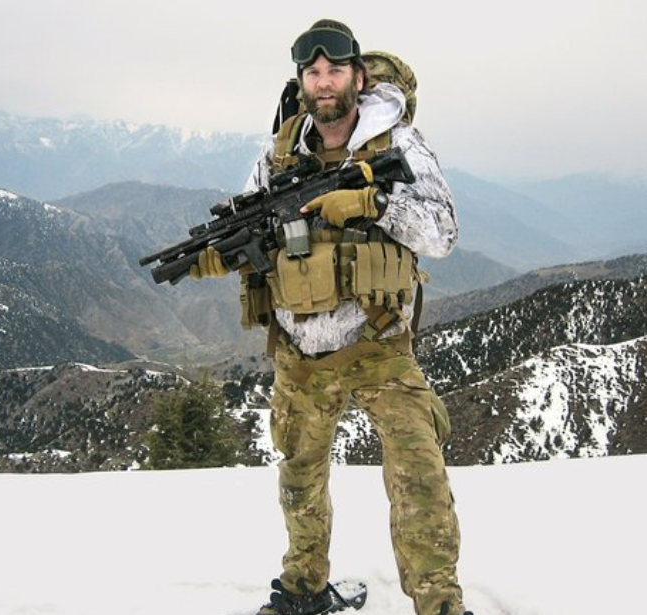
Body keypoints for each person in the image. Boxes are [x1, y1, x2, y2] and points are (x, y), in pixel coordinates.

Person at [191, 19, 470, 615]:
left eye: (334, 70)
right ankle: (304, 589)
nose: (323, 82)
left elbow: (442, 233)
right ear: (301, 81)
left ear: (357, 77)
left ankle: (440, 605)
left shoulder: (397, 144)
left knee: (419, 477)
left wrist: (374, 202)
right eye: (312, 72)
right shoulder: (278, 150)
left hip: (378, 347)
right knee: (299, 479)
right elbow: (254, 227)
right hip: (298, 349)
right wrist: (222, 257)